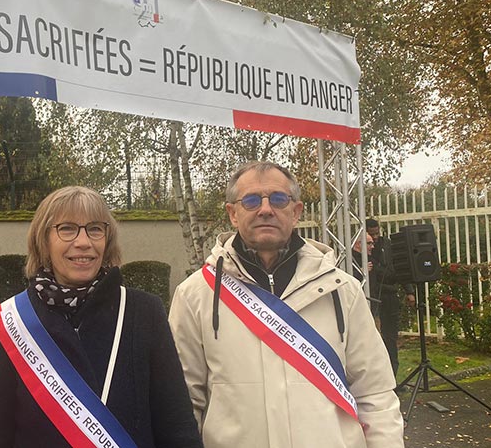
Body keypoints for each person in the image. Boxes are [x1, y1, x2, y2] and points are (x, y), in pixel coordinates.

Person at [168, 161, 404, 448]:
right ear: (232, 213)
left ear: (296, 211)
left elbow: (375, 394)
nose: (265, 209)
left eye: (279, 199)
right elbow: (182, 406)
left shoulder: (343, 290)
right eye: (252, 200)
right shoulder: (195, 294)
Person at [0, 186, 202, 448]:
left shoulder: (144, 312)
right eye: (67, 228)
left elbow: (176, 425)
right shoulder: (11, 322)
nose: (84, 241)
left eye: (95, 229)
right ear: (44, 240)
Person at [366, 218, 415, 377]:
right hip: (373, 294)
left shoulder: (387, 244)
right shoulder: (362, 247)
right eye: (371, 235)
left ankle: (393, 377)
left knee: (390, 337)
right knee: (373, 337)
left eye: (376, 234)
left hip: (390, 294)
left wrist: (409, 290)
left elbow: (399, 267)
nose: (374, 238)